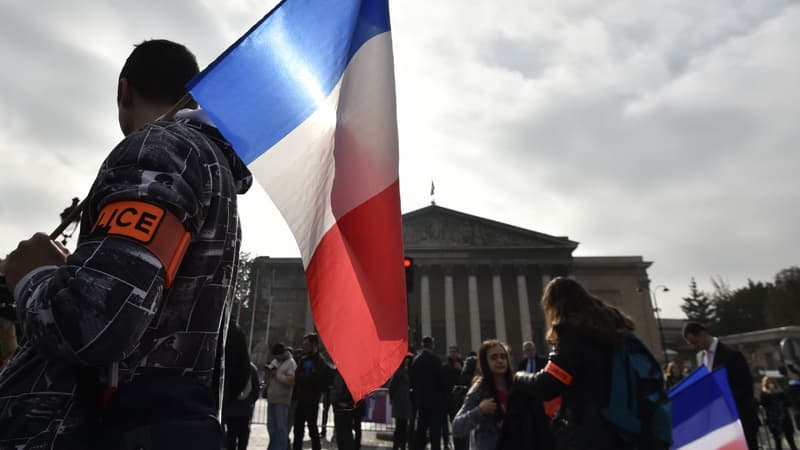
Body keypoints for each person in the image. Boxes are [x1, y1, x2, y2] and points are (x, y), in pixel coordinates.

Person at [0, 39, 252, 449]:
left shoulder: (160, 150)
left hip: (116, 428)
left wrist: (31, 276)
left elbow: (96, 325)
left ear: (124, 90)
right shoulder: (208, 168)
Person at [510, 277, 634, 450]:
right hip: (628, 425)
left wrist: (518, 376)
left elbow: (547, 384)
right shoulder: (617, 330)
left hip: (593, 431)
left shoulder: (574, 335)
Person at [683, 322, 759, 450]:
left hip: (740, 418)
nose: (696, 347)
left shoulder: (732, 354)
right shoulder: (701, 357)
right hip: (721, 424)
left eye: (696, 342)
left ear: (703, 334)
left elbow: (745, 387)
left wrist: (722, 403)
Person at [451, 340, 512, 450]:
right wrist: (480, 411)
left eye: (503, 357)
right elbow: (457, 427)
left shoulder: (516, 387)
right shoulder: (480, 389)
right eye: (494, 357)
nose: (500, 361)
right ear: (485, 362)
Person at [222, 325, 259, 450]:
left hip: (231, 408)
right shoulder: (252, 369)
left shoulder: (229, 366)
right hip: (245, 409)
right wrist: (250, 402)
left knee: (230, 436)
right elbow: (255, 391)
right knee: (243, 437)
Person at [292, 333, 328, 450]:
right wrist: (307, 377)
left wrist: (306, 377)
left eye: (307, 344)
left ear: (314, 345)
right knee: (298, 431)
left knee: (313, 431)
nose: (304, 347)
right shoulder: (303, 359)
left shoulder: (320, 361)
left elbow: (317, 379)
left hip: (312, 401)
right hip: (301, 400)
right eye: (304, 345)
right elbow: (297, 377)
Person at [411, 336, 447, 450]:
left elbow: (413, 381)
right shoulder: (435, 359)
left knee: (421, 430)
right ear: (431, 345)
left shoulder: (416, 360)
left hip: (421, 401)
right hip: (435, 402)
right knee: (435, 432)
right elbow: (441, 380)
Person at [266, 343, 297, 450]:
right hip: (272, 399)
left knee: (280, 428)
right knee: (271, 428)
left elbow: (290, 380)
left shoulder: (290, 363)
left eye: (276, 356)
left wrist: (277, 374)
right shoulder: (276, 361)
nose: (275, 358)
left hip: (282, 401)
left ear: (282, 353)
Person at [760, 376, 798, 450]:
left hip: (784, 417)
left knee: (790, 440)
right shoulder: (764, 394)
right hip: (774, 419)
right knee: (778, 441)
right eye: (769, 383)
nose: (771, 384)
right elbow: (763, 404)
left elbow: (788, 403)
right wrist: (769, 394)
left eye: (772, 382)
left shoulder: (780, 393)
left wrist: (779, 393)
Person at [389, 354, 413, 450]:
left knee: (402, 426)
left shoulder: (404, 371)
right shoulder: (400, 372)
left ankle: (401, 445)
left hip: (403, 402)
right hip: (400, 402)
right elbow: (392, 386)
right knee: (400, 426)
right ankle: (398, 445)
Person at [442, 344, 464, 450]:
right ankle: (448, 444)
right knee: (451, 424)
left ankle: (460, 445)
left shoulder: (463, 365)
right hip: (450, 400)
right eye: (451, 351)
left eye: (454, 351)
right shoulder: (445, 366)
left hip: (461, 400)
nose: (452, 353)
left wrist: (460, 370)